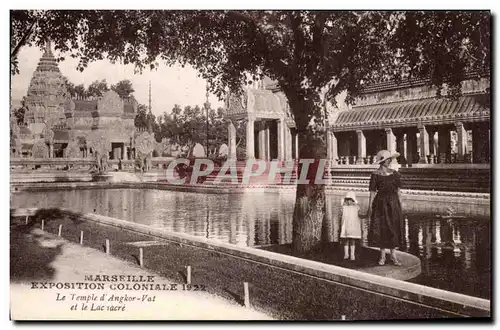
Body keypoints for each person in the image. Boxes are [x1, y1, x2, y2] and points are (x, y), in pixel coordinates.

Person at [368, 150, 404, 266]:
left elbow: (399, 191)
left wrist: (400, 205)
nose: (389, 161)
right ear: (381, 162)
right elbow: (372, 192)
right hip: (380, 204)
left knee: (393, 228)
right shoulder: (375, 175)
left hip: (393, 204)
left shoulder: (395, 174)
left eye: (389, 159)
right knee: (382, 228)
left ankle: (394, 256)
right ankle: (382, 256)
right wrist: (369, 207)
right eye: (386, 160)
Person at [340, 191, 362, 261]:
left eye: (350, 200)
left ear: (353, 200)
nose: (349, 201)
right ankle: (346, 254)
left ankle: (352, 254)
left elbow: (360, 215)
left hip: (353, 226)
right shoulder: (344, 207)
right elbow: (341, 215)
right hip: (346, 226)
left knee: (352, 240)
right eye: (347, 200)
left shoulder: (356, 207)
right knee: (346, 240)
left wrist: (366, 215)